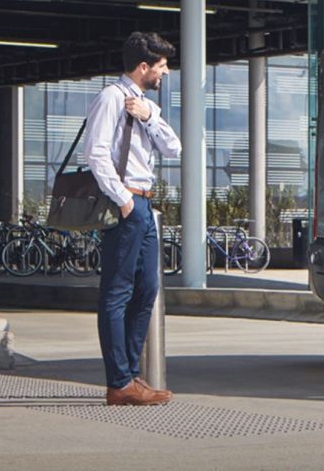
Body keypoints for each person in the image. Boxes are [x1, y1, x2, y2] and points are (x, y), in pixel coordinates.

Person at [85, 32, 182, 406]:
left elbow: (173, 147)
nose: (166, 72)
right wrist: (123, 199)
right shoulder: (111, 97)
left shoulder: (145, 105)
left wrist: (149, 116)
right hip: (125, 203)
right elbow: (95, 153)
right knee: (117, 292)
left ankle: (128, 375)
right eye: (162, 66)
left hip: (144, 205)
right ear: (144, 67)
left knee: (147, 289)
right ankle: (120, 382)